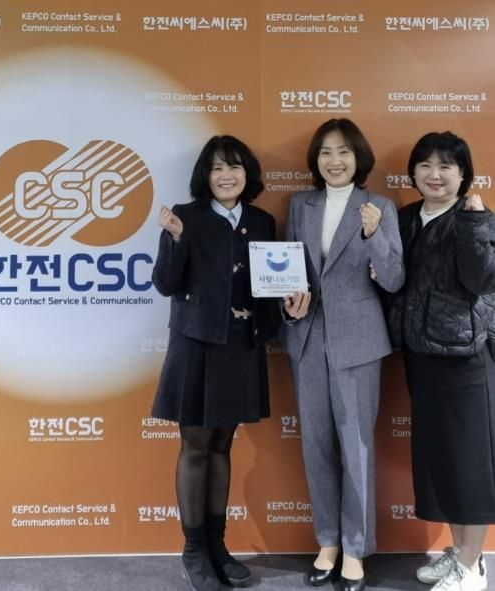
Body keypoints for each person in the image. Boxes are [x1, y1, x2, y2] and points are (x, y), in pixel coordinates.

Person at [280, 118, 405, 591]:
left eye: (344, 152)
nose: (335, 161)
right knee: (314, 444)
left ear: (359, 158)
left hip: (358, 342)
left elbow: (393, 279)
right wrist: (288, 306)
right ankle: (327, 541)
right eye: (326, 152)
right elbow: (286, 269)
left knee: (356, 446)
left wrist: (375, 236)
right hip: (307, 338)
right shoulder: (301, 204)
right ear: (316, 160)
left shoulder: (379, 207)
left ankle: (355, 547)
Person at [151, 135, 276, 591]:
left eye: (235, 167)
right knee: (196, 446)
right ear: (205, 175)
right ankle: (194, 551)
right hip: (195, 346)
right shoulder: (185, 217)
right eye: (218, 167)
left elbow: (271, 282)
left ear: (248, 174)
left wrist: (287, 306)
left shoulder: (262, 221)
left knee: (223, 445)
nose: (227, 176)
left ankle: (218, 547)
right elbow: (166, 284)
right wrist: (175, 239)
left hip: (242, 345)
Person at [386, 131, 495, 591]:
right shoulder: (406, 217)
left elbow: (480, 280)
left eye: (446, 166)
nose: (435, 174)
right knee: (444, 462)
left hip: (465, 359)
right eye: (425, 165)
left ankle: (472, 567)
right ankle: (459, 553)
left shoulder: (476, 218)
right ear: (413, 172)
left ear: (464, 175)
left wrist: (475, 224)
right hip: (422, 355)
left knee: (469, 462)